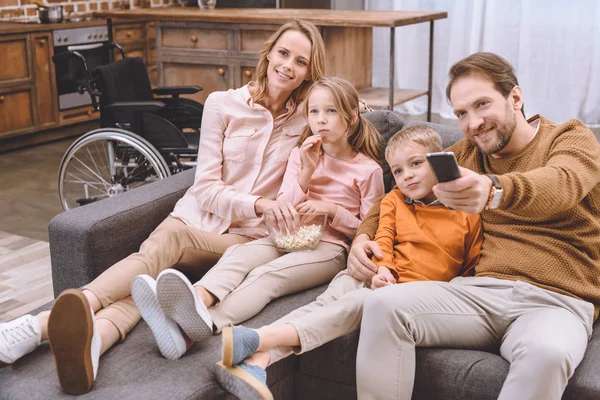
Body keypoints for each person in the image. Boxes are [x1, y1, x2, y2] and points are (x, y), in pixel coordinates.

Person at [0, 20, 326, 395]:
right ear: (268, 52)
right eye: (284, 53)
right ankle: (96, 342)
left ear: (308, 73)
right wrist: (259, 204)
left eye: (301, 62)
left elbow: (344, 108)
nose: (288, 66)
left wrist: (353, 108)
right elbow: (205, 188)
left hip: (238, 241)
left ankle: (43, 323)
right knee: (146, 284)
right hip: (196, 217)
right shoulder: (222, 104)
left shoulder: (308, 119)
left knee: (165, 244)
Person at [349, 52, 600, 400]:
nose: (474, 123)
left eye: (482, 104)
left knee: (549, 353)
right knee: (382, 305)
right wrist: (362, 237)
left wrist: (495, 190)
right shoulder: (466, 154)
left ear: (515, 97)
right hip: (480, 293)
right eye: (461, 114)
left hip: (557, 301)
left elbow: (561, 184)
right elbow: (396, 195)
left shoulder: (569, 137)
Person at [212, 125, 483, 400]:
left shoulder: (467, 213)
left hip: (409, 294)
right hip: (375, 271)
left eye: (416, 164)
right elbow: (384, 236)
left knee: (356, 304)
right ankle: (257, 361)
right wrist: (383, 268)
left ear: (439, 161)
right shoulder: (395, 200)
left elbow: (470, 267)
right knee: (326, 304)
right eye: (398, 171)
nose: (407, 175)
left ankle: (258, 340)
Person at [132, 76, 385, 360]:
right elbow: (283, 207)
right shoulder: (302, 156)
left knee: (266, 276)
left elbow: (370, 230)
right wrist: (306, 173)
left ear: (351, 118)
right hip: (288, 233)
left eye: (331, 111)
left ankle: (196, 328)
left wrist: (332, 211)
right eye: (314, 111)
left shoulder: (368, 170)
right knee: (238, 255)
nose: (321, 120)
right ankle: (196, 299)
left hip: (330, 248)